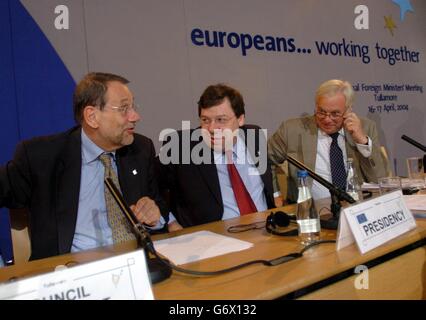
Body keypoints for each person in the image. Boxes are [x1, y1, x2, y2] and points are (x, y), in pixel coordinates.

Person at [0, 72, 168, 261]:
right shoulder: (41, 157)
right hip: (73, 273)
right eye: (123, 108)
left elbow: (159, 205)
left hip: (136, 264)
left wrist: (154, 215)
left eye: (133, 106)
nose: (135, 116)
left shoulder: (140, 149)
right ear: (92, 116)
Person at [160, 84, 275, 230]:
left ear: (240, 119)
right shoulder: (180, 147)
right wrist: (170, 222)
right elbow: (151, 187)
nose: (212, 129)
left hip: (266, 230)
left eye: (221, 120)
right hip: (216, 238)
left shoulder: (255, 136)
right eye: (205, 120)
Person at [268, 79, 388, 204]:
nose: (327, 119)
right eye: (321, 112)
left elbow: (379, 179)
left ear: (348, 110)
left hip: (357, 207)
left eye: (335, 114)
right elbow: (262, 161)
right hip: (311, 211)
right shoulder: (292, 130)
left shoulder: (366, 127)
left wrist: (362, 141)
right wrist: (275, 194)